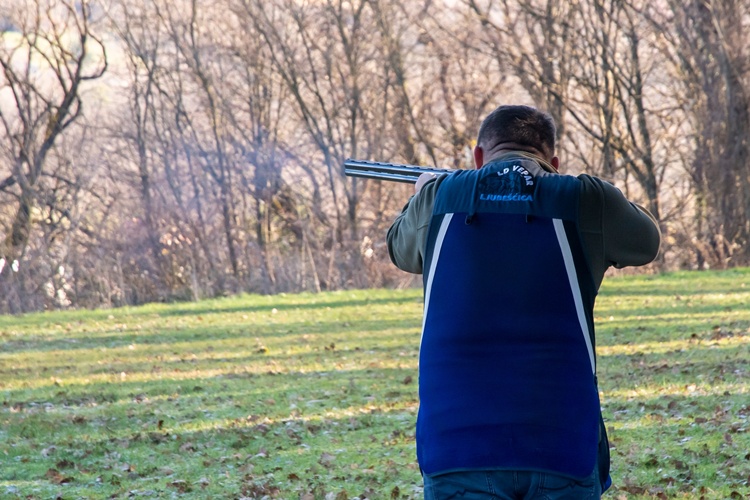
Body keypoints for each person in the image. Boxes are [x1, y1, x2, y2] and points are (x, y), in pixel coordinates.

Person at [386, 105, 661, 499]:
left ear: (478, 156)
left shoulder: (437, 197)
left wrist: (421, 194)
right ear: (554, 162)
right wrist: (592, 193)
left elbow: (400, 249)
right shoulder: (586, 197)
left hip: (456, 442)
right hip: (561, 440)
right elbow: (647, 241)